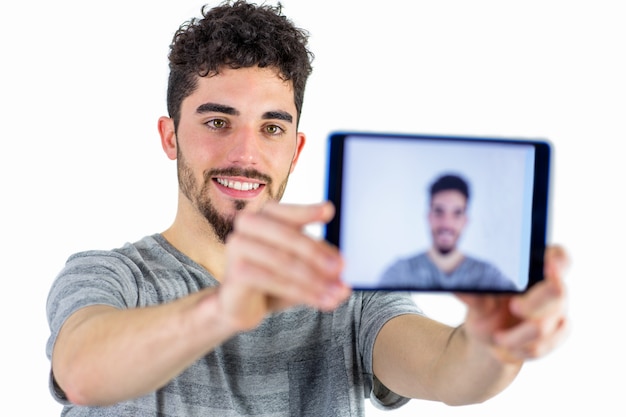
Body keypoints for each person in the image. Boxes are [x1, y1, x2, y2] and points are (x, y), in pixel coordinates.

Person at [45, 1, 569, 416]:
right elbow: (82, 373)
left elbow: (450, 370)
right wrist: (225, 308)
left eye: (271, 127)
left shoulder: (345, 286)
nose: (246, 155)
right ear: (170, 137)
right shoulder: (108, 275)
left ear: (295, 148)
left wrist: (493, 342)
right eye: (217, 121)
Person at [379, 173, 518, 291]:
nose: (447, 223)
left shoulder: (489, 276)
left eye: (457, 213)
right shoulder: (399, 273)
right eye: (439, 211)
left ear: (465, 220)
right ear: (429, 216)